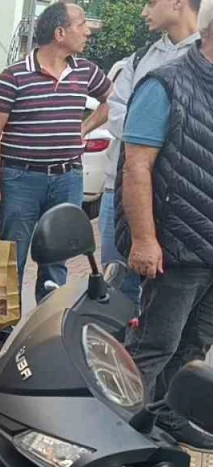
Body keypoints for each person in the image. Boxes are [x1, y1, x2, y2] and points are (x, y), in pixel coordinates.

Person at [0, 1, 111, 354]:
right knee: (13, 255)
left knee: (58, 255)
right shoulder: (13, 77)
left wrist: (83, 129)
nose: (87, 31)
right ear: (60, 32)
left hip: (67, 178)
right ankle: (2, 327)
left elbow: (111, 102)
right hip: (20, 179)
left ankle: (48, 325)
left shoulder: (86, 72)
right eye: (81, 24)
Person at [118, 1, 213, 450]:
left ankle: (167, 417)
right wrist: (144, 239)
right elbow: (136, 167)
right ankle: (118, 423)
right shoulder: (165, 84)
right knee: (154, 345)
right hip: (176, 247)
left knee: (195, 343)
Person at [101, 0, 202, 306]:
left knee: (170, 294)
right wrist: (151, 136)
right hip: (124, 189)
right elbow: (116, 111)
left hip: (184, 196)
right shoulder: (140, 58)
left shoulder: (205, 57)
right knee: (117, 284)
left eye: (151, 3)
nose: (144, 12)